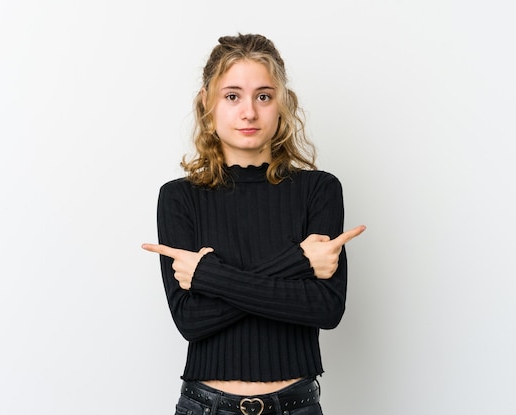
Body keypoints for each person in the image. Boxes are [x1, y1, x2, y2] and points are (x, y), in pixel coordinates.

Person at [142, 33, 365, 415]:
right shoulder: (179, 198)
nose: (249, 112)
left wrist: (208, 276)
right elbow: (191, 321)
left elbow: (327, 308)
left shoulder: (319, 190)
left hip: (295, 406)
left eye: (264, 96)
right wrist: (300, 261)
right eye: (232, 96)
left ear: (282, 104)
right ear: (207, 104)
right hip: (205, 406)